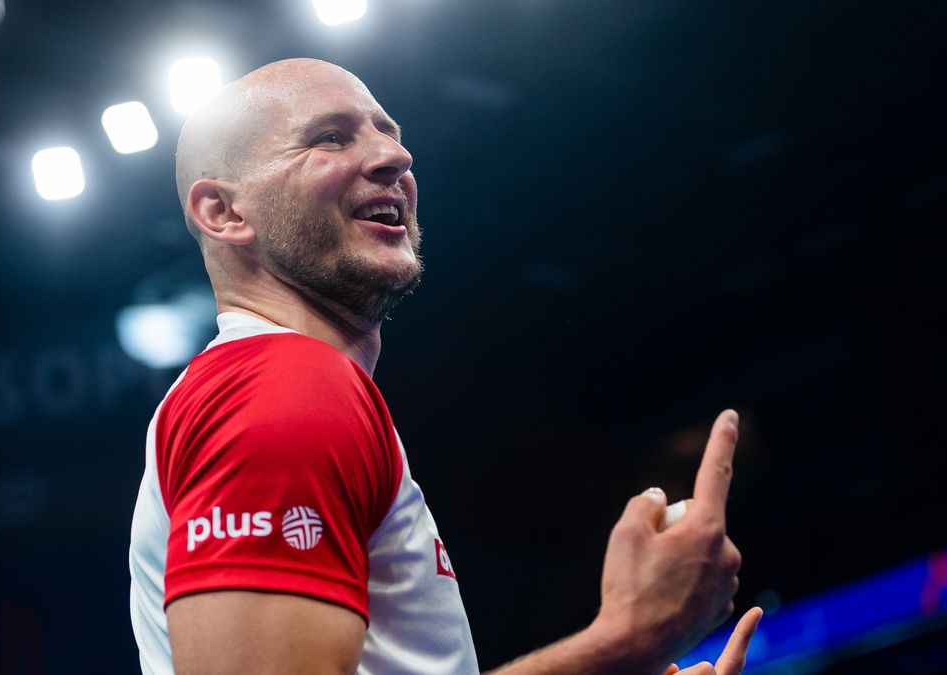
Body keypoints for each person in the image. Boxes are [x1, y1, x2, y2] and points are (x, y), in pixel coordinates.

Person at [128, 57, 761, 675]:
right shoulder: (281, 386)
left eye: (389, 134)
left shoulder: (285, 386)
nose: (394, 158)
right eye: (330, 138)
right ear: (225, 213)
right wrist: (625, 640)